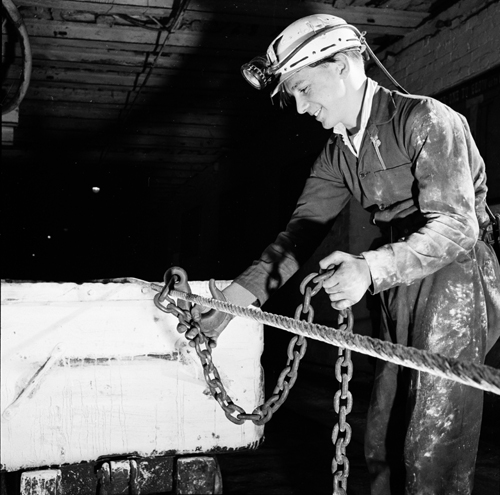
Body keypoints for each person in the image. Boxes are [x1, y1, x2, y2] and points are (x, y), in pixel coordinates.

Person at [180, 14, 500, 495]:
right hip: (398, 278)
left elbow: (457, 227)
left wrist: (370, 269)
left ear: (347, 65)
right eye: (294, 97)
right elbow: (296, 237)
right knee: (384, 429)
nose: (302, 107)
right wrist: (235, 300)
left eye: (306, 89)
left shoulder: (426, 118)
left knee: (433, 437)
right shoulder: (336, 155)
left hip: (456, 273)